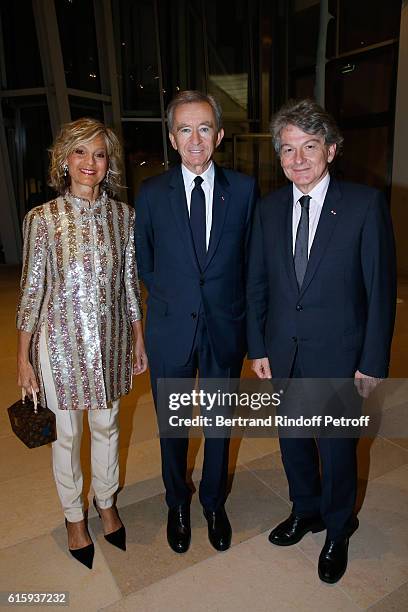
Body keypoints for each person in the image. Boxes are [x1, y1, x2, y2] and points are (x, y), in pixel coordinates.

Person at [247, 98, 396, 583]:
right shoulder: (268, 210)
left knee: (336, 448)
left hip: (340, 355)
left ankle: (336, 526)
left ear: (330, 150)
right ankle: (304, 510)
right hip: (283, 352)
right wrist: (259, 347)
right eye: (288, 149)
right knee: (292, 442)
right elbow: (258, 286)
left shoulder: (363, 204)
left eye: (309, 146)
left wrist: (372, 360)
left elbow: (380, 290)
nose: (298, 159)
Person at [16, 117, 148, 569]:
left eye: (98, 153)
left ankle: (105, 501)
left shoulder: (123, 218)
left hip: (110, 344)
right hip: (58, 346)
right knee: (67, 434)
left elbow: (129, 284)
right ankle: (75, 514)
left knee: (108, 426)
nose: (89, 162)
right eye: (79, 152)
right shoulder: (43, 219)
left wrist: (137, 337)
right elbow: (32, 291)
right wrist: (23, 357)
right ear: (63, 159)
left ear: (108, 162)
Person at [135, 90, 257, 554]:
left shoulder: (244, 191)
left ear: (219, 134)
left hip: (225, 327)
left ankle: (212, 502)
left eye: (204, 128)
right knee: (173, 423)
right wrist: (172, 300)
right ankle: (177, 502)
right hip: (171, 329)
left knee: (220, 423)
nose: (195, 139)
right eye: (184, 129)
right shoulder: (151, 195)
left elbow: (251, 266)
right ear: (172, 138)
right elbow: (145, 264)